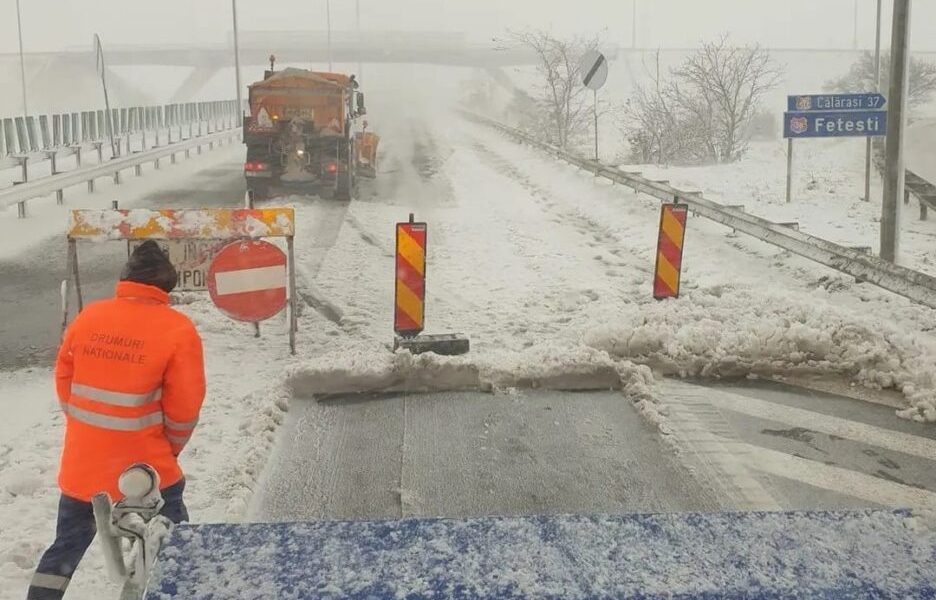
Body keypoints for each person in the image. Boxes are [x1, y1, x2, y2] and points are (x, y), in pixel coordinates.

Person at [27, 241, 206, 600]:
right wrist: (167, 450)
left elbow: (65, 382)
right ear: (166, 286)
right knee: (174, 545)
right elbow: (185, 407)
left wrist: (91, 429)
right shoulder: (177, 329)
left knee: (66, 546)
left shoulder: (90, 317)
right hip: (147, 474)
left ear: (126, 279)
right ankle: (181, 590)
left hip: (84, 468)